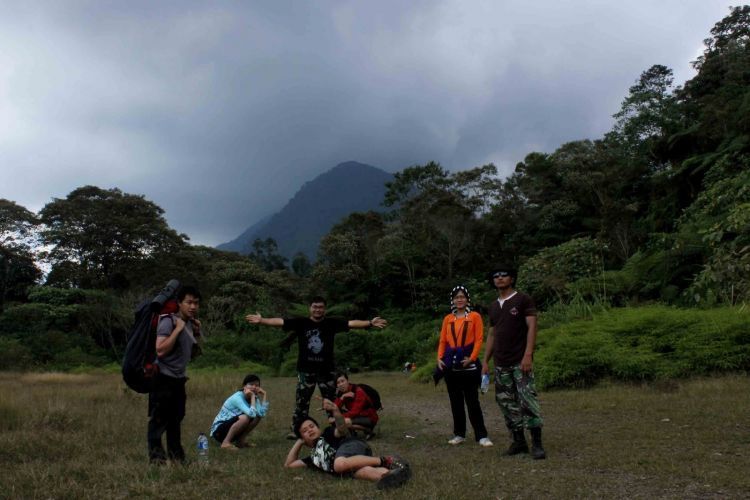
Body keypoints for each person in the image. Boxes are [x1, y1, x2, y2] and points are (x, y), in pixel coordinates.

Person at [245, 296, 386, 437]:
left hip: (327, 371)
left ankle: (338, 427)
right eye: (315, 307)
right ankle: (297, 430)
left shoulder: (331, 323)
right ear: (310, 308)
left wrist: (370, 323)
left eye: (320, 307)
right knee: (302, 402)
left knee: (331, 402)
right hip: (305, 371)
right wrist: (262, 320)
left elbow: (351, 323)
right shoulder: (301, 322)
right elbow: (280, 322)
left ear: (324, 309)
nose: (318, 310)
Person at [482, 265, 546, 459]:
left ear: (512, 278)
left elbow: (532, 326)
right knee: (506, 402)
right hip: (501, 362)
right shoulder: (493, 306)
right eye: (496, 276)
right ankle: (518, 441)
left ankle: (537, 443)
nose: (500, 278)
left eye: (504, 275)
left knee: (527, 400)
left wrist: (528, 355)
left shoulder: (522, 299)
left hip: (520, 360)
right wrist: (485, 361)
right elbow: (492, 334)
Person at [284, 399, 411, 490]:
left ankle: (386, 460)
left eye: (311, 426)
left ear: (318, 428)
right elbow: (289, 465)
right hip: (351, 466)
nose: (310, 430)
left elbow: (341, 429)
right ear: (303, 438)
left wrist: (335, 410)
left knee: (339, 464)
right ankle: (395, 473)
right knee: (365, 472)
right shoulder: (312, 459)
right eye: (305, 431)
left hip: (353, 446)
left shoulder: (327, 434)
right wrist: (299, 441)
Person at [147, 285, 202, 464]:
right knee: (159, 420)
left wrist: (197, 333)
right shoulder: (168, 321)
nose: (193, 307)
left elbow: (190, 355)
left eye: (196, 303)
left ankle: (177, 458)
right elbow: (160, 350)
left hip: (178, 379)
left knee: (176, 419)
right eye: (189, 302)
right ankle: (156, 458)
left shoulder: (190, 323)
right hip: (163, 377)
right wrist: (177, 329)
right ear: (179, 303)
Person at [437, 285, 493, 447]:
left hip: (469, 364)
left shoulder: (474, 316)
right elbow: (443, 341)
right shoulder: (448, 319)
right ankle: (459, 434)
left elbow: (478, 339)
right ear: (452, 300)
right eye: (456, 297)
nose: (459, 300)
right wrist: (439, 358)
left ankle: (481, 435)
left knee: (472, 401)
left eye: (462, 297)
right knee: (455, 402)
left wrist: (472, 358)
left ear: (467, 299)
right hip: (450, 364)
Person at [210, 374, 269, 449]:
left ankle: (240, 442)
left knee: (258, 417)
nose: (254, 387)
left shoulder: (253, 398)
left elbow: (261, 414)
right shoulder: (237, 398)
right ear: (244, 386)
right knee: (245, 418)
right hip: (218, 431)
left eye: (257, 385)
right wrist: (253, 397)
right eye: (251, 384)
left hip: (230, 428)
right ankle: (225, 443)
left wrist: (264, 395)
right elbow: (252, 414)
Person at [332, 372, 379, 439]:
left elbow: (355, 412)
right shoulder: (341, 393)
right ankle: (351, 432)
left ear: (347, 381)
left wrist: (338, 418)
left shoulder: (358, 391)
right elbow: (335, 407)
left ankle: (368, 430)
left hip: (369, 417)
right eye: (338, 383)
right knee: (337, 414)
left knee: (344, 421)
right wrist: (342, 398)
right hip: (357, 416)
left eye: (342, 381)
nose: (341, 384)